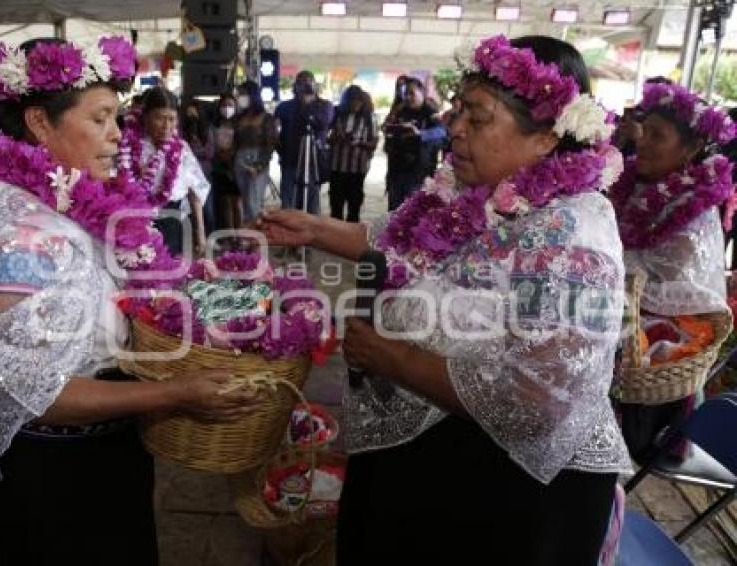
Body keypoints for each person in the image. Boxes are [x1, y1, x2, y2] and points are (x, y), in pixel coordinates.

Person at [258, 35, 631, 564]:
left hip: (514, 488)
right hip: (443, 451)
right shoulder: (466, 191)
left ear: (546, 137)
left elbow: (541, 399)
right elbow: (393, 239)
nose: (455, 127)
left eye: (478, 118)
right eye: (459, 110)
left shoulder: (572, 230)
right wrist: (314, 229)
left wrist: (394, 358)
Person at [0, 37, 259, 565]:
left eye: (118, 117)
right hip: (48, 475)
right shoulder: (9, 226)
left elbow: (141, 280)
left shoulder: (66, 196)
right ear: (39, 123)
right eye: (101, 118)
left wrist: (245, 301)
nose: (116, 135)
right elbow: (40, 392)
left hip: (100, 454)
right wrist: (176, 393)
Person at [610, 81, 735, 462]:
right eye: (644, 130)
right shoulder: (630, 183)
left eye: (658, 136)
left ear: (692, 149)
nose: (643, 141)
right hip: (621, 320)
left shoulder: (693, 207)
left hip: (652, 363)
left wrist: (606, 263)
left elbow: (672, 287)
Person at [119, 86, 211, 256]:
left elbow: (195, 194)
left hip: (172, 222)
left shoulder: (181, 149)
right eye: (160, 118)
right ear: (145, 117)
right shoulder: (128, 147)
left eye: (172, 119)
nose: (166, 126)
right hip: (136, 220)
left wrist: (201, 235)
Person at [275, 71, 334, 216]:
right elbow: (275, 132)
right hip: (290, 161)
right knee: (289, 202)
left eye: (308, 82)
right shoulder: (284, 107)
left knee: (312, 204)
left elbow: (322, 124)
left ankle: (312, 235)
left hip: (313, 162)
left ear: (315, 85)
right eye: (301, 83)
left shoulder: (325, 105)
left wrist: (307, 104)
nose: (305, 86)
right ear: (295, 86)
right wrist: (280, 150)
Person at [382, 77, 447, 211]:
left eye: (412, 93)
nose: (408, 97)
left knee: (413, 213)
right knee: (394, 213)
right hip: (396, 171)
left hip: (419, 173)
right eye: (405, 93)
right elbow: (386, 128)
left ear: (422, 92)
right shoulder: (400, 110)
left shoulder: (430, 112)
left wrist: (420, 134)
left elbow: (442, 131)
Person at [328, 86, 378, 222]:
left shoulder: (369, 118)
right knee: (336, 205)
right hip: (337, 167)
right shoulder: (336, 114)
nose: (355, 105)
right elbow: (327, 137)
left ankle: (350, 235)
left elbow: (374, 143)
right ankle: (334, 235)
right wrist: (336, 138)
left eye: (358, 102)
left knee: (354, 206)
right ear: (345, 101)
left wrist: (360, 143)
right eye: (351, 101)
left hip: (357, 168)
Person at [234, 80, 277, 223]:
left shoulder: (266, 118)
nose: (239, 97)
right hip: (240, 160)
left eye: (242, 94)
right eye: (239, 94)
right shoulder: (239, 117)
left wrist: (259, 166)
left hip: (257, 160)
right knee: (245, 202)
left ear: (252, 96)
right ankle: (248, 237)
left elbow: (270, 145)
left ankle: (256, 239)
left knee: (254, 203)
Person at [180, 98, 216, 236]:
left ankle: (210, 235)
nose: (191, 115)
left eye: (194, 112)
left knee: (207, 207)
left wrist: (191, 152)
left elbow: (209, 152)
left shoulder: (207, 130)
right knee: (190, 208)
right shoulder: (183, 131)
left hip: (204, 173)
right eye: (188, 112)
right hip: (187, 175)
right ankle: (195, 236)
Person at [212, 93, 241, 231]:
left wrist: (232, 156)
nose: (227, 108)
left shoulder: (240, 124)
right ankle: (230, 235)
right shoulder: (215, 125)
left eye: (230, 105)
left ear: (236, 107)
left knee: (237, 203)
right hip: (220, 167)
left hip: (236, 167)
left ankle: (241, 234)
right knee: (226, 204)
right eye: (224, 105)